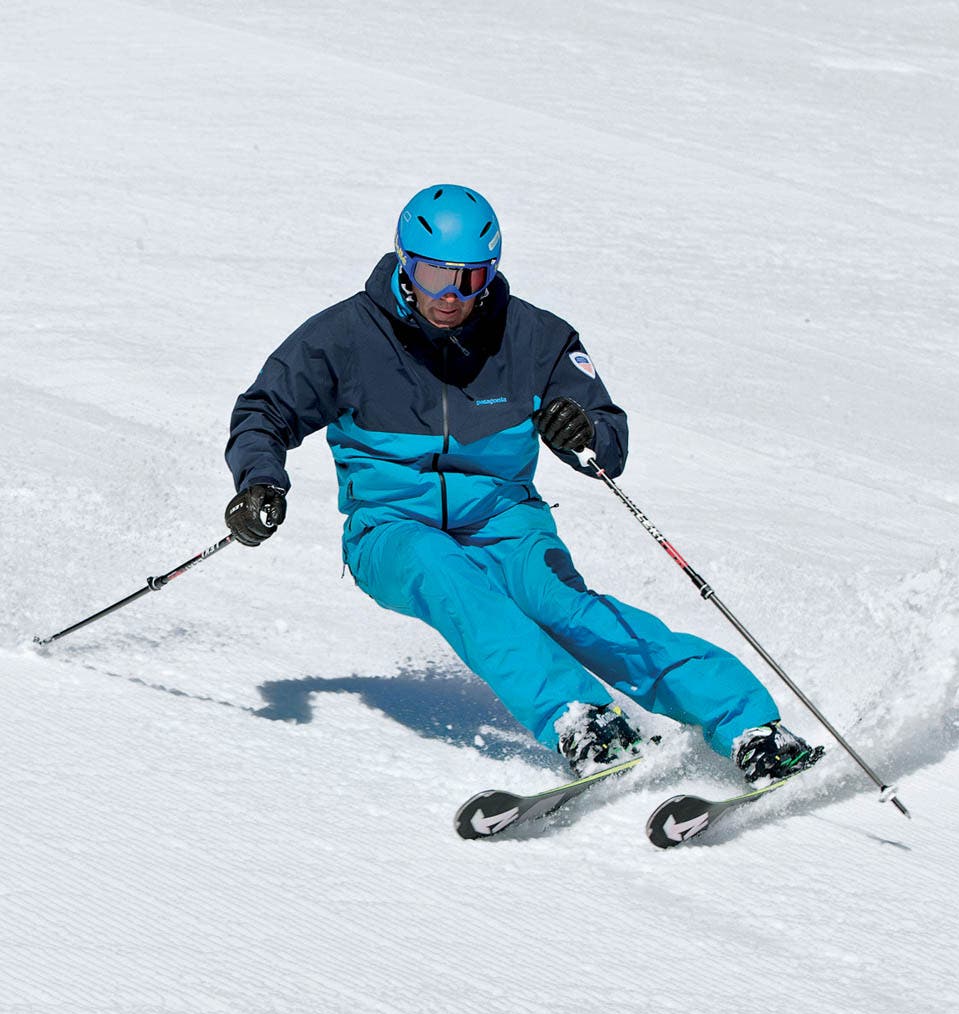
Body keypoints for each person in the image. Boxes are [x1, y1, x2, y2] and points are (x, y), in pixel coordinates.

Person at [224, 183, 823, 784]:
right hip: (391, 527)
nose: (451, 296)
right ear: (404, 263)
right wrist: (259, 482)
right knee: (445, 574)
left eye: (470, 279)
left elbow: (607, 443)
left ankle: (748, 723)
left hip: (505, 520)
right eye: (434, 276)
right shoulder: (345, 338)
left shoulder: (533, 339)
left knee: (564, 607)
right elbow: (263, 412)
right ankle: (582, 718)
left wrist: (582, 430)